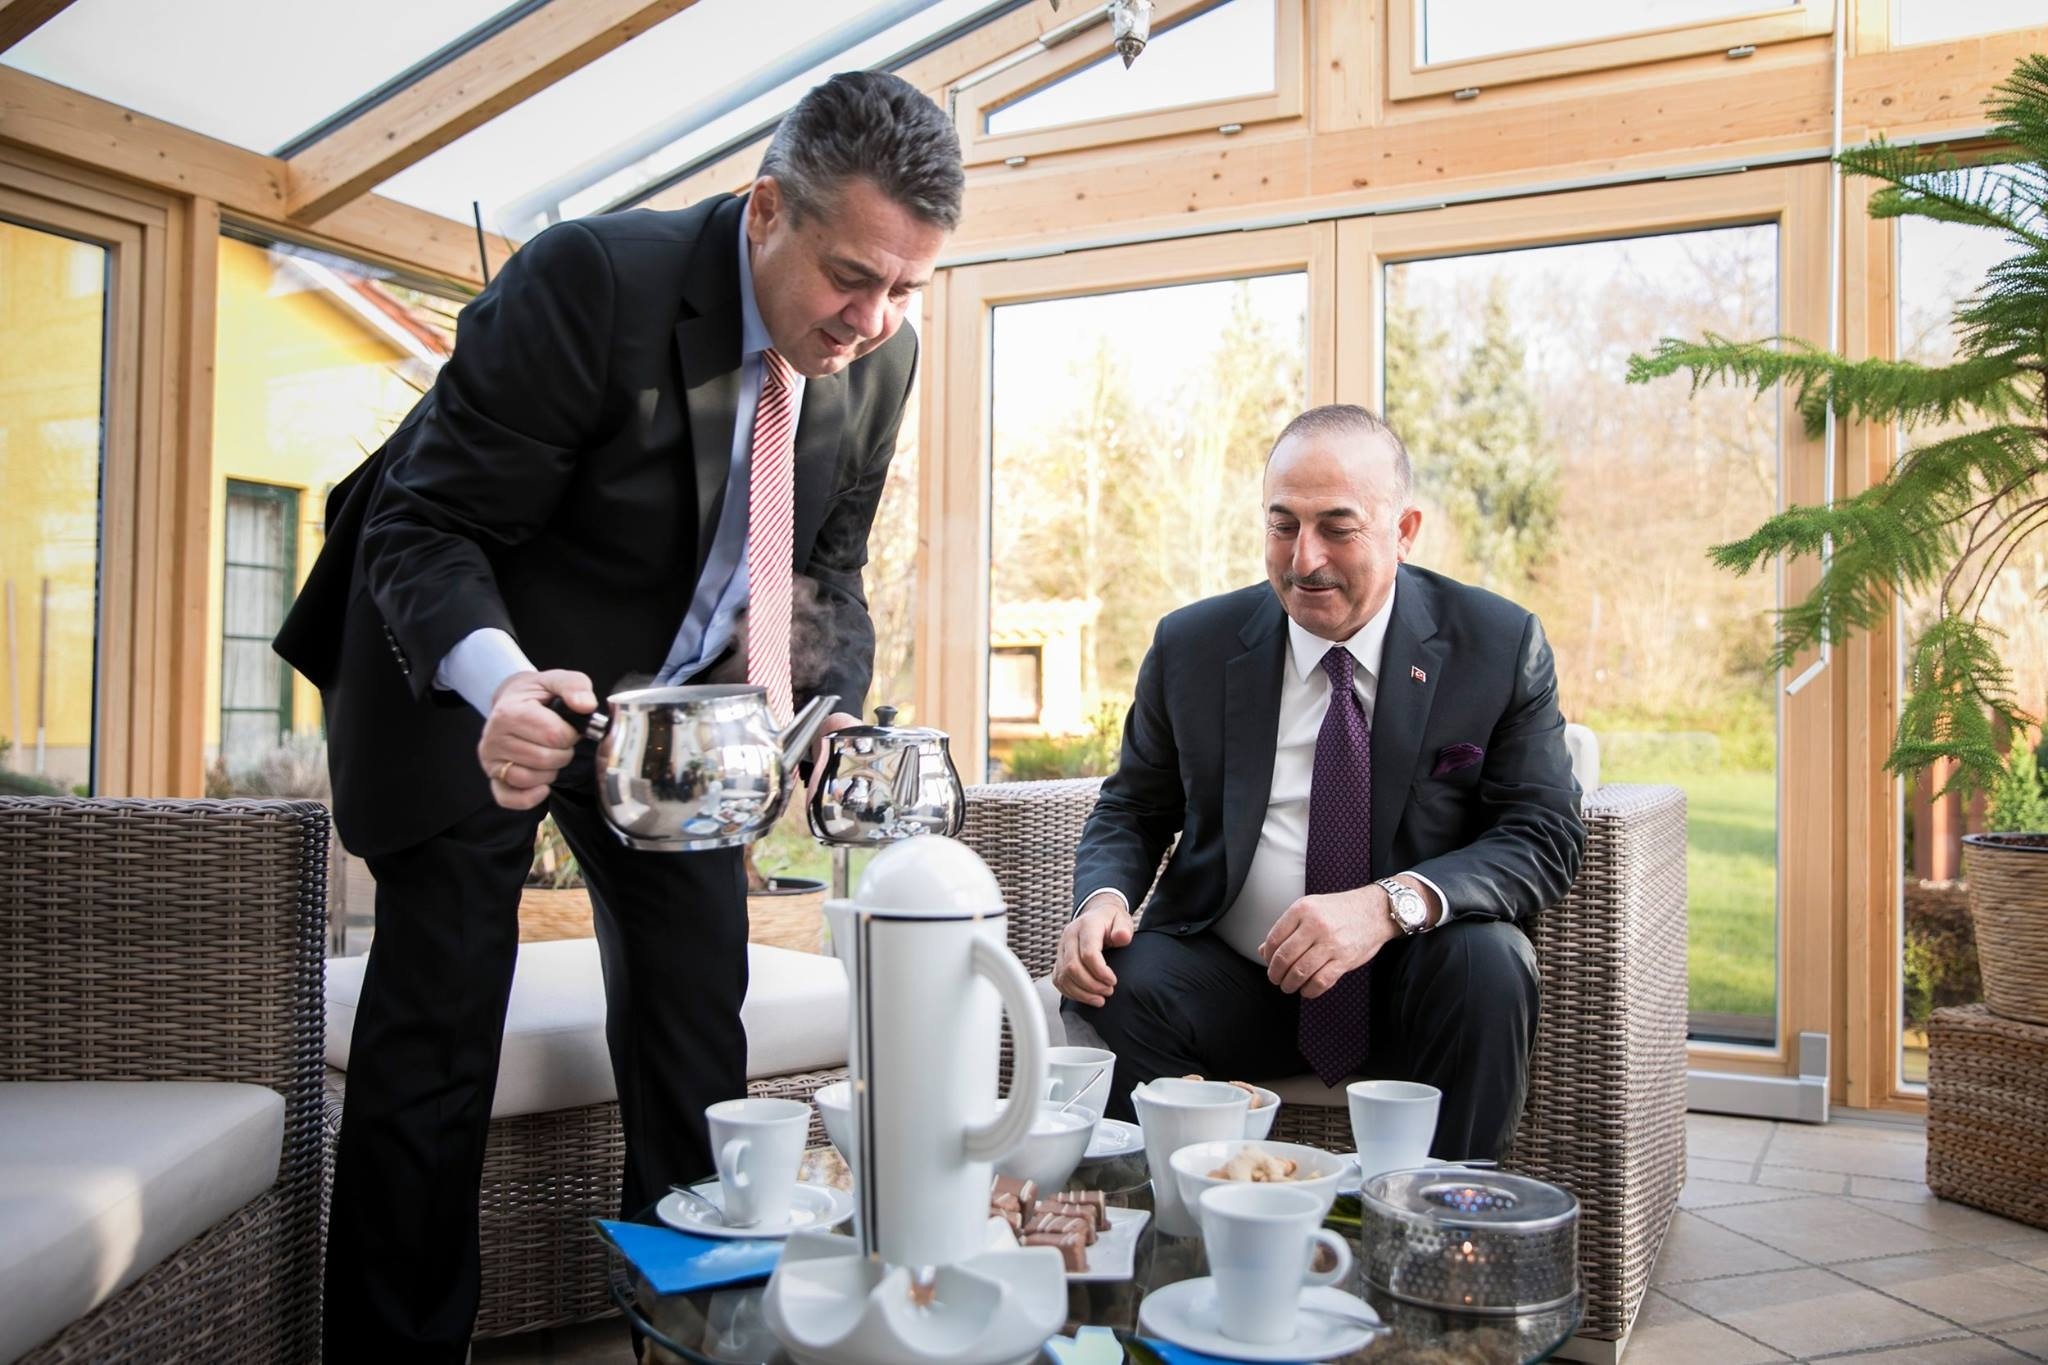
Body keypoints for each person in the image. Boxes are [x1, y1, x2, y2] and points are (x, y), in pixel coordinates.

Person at [273, 72, 961, 1359]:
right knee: (439, 1029)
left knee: (696, 1005)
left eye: (905, 288)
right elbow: (427, 523)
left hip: (674, 710)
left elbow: (823, 570)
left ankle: (693, 1333)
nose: (871, 320)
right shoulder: (591, 279)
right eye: (851, 276)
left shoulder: (880, 359)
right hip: (467, 677)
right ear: (765, 210)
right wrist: (498, 682)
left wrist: (825, 721)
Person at [1052, 404, 1586, 1162]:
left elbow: (1544, 833)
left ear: (1404, 530)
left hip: (1411, 981)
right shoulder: (1192, 645)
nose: (1304, 560)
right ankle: (1189, 1209)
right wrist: (1101, 897)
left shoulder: (1494, 645)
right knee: (1118, 981)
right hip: (1237, 980)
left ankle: (1442, 1221)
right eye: (1282, 525)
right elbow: (1134, 806)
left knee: (1489, 963)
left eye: (1338, 527)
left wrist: (1388, 904)